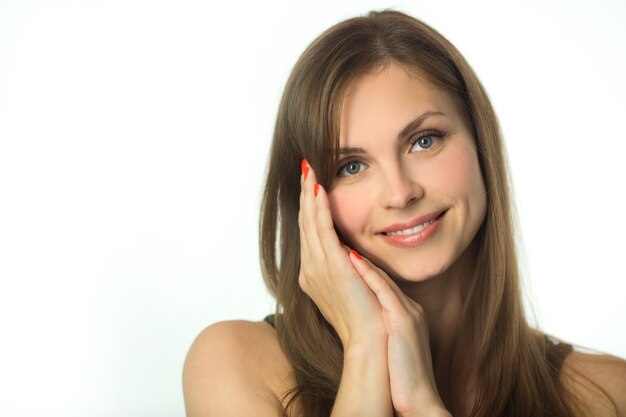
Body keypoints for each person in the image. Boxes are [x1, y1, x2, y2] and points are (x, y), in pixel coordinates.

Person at [182, 10, 626, 417]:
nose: (400, 193)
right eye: (351, 166)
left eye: (425, 140)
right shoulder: (236, 361)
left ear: (479, 144)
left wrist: (424, 406)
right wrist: (366, 350)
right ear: (308, 197)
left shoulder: (606, 395)